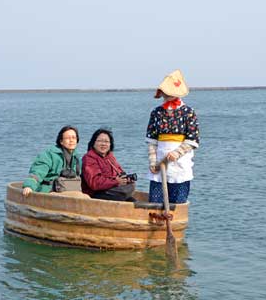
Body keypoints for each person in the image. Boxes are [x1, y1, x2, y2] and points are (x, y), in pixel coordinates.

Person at [146, 69, 200, 203]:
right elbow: (152, 140)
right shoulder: (157, 112)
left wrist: (177, 152)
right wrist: (153, 161)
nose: (168, 94)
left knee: (178, 201)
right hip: (160, 162)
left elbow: (193, 138)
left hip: (180, 162)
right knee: (155, 200)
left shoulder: (188, 112)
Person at [22, 125, 81, 196]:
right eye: (68, 138)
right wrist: (29, 186)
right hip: (50, 191)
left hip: (71, 191)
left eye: (74, 138)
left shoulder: (77, 157)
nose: (71, 140)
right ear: (61, 141)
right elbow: (38, 172)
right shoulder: (49, 154)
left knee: (85, 197)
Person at [81, 128, 136, 201]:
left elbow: (120, 172)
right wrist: (116, 182)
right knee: (124, 194)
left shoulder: (110, 156)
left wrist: (126, 179)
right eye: (100, 141)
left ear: (110, 144)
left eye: (106, 141)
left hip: (111, 190)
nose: (103, 144)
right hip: (96, 193)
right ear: (93, 143)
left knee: (131, 191)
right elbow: (94, 182)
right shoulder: (89, 158)